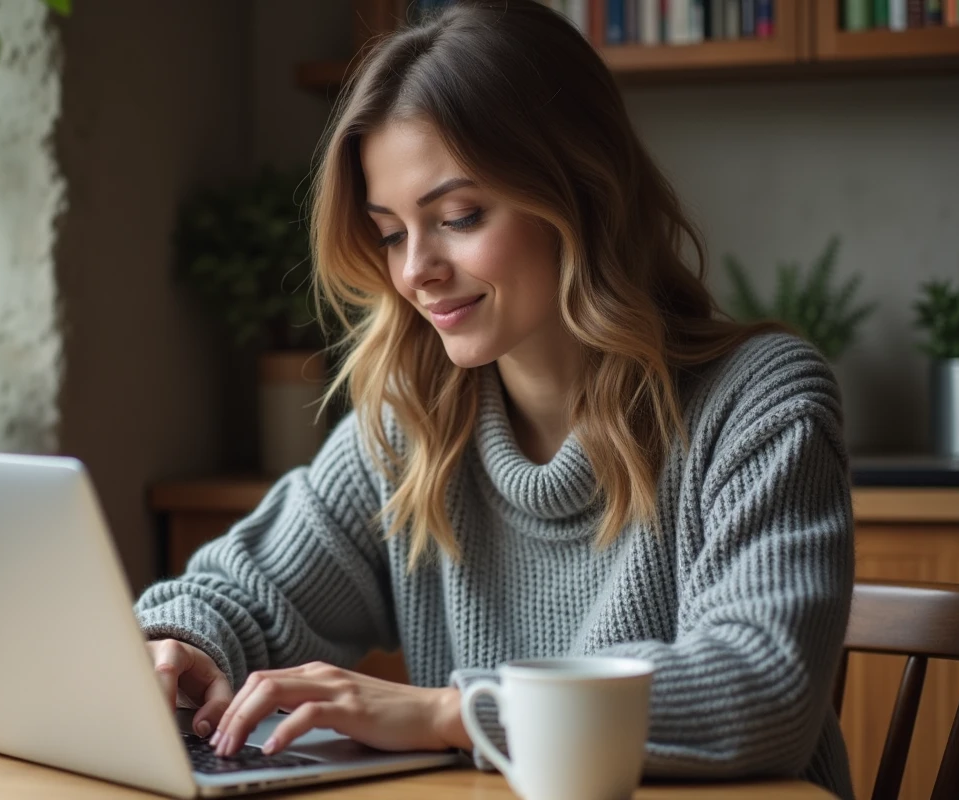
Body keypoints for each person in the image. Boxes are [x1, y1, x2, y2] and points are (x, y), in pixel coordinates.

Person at [135, 1, 855, 796]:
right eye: (391, 231)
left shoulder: (760, 401)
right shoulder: (416, 423)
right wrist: (180, 642)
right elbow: (247, 590)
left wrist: (454, 712)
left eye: (458, 217)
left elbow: (763, 685)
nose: (415, 271)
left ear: (583, 193)